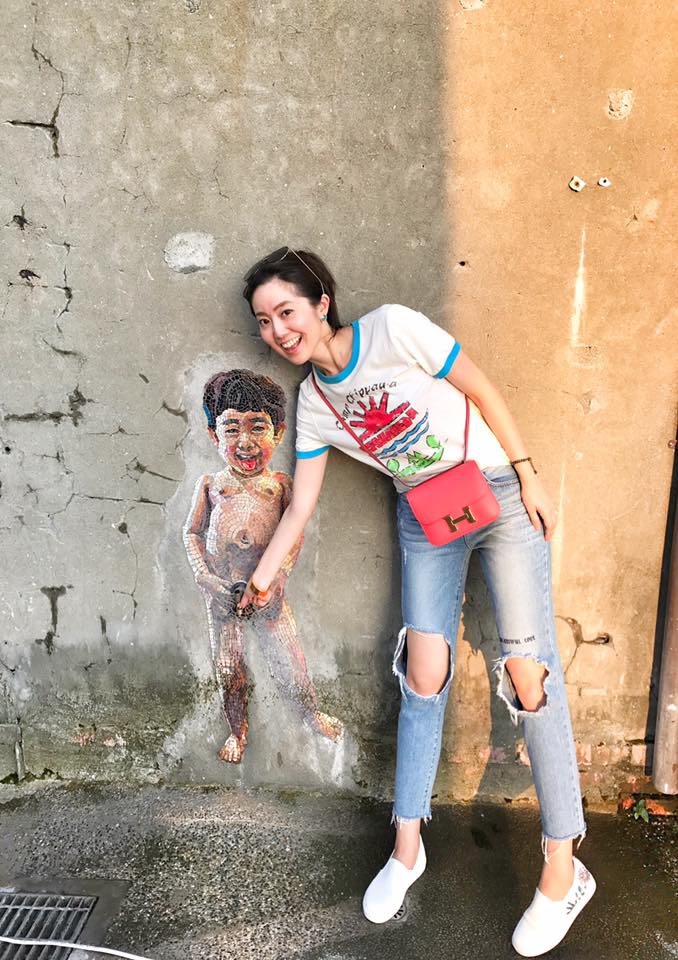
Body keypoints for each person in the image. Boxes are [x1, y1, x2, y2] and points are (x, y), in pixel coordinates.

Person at [237, 247, 596, 957]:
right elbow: (301, 505)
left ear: (321, 304)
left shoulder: (392, 329)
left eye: (287, 311)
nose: (278, 331)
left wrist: (528, 475)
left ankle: (564, 867)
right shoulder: (315, 404)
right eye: (264, 322)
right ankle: (407, 849)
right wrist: (260, 578)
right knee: (423, 673)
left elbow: (480, 387)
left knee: (529, 676)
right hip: (427, 517)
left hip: (497, 491)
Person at [183, 368, 343, 763]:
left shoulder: (281, 486)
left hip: (269, 595)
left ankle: (311, 714)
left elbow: (294, 532)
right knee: (228, 671)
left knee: (291, 664)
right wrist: (204, 576)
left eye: (257, 427)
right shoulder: (211, 485)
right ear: (213, 435)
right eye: (231, 429)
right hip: (223, 597)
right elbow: (192, 533)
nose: (245, 441)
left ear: (279, 432)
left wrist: (280, 575)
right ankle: (237, 732)